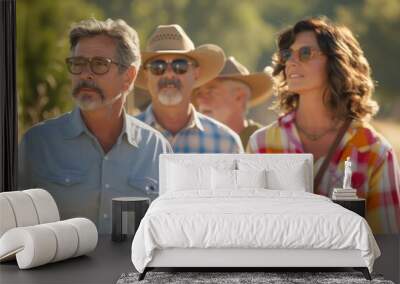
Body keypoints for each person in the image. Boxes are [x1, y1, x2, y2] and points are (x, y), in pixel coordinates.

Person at [18, 18, 172, 234]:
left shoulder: (156, 149)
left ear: (129, 77)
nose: (85, 74)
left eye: (100, 64)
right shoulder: (37, 144)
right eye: (78, 64)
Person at [248, 17, 400, 234]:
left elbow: (387, 244)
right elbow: (251, 230)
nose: (291, 61)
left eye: (306, 53)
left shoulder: (375, 152)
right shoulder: (261, 145)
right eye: (287, 54)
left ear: (337, 62)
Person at [135, 24, 243, 153]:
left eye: (180, 66)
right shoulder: (123, 139)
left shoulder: (227, 143)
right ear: (146, 75)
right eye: (158, 66)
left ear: (196, 73)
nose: (169, 74)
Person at [193, 56, 273, 149]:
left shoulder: (266, 142)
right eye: (198, 93)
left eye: (210, 92)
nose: (201, 101)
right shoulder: (191, 143)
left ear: (240, 97)